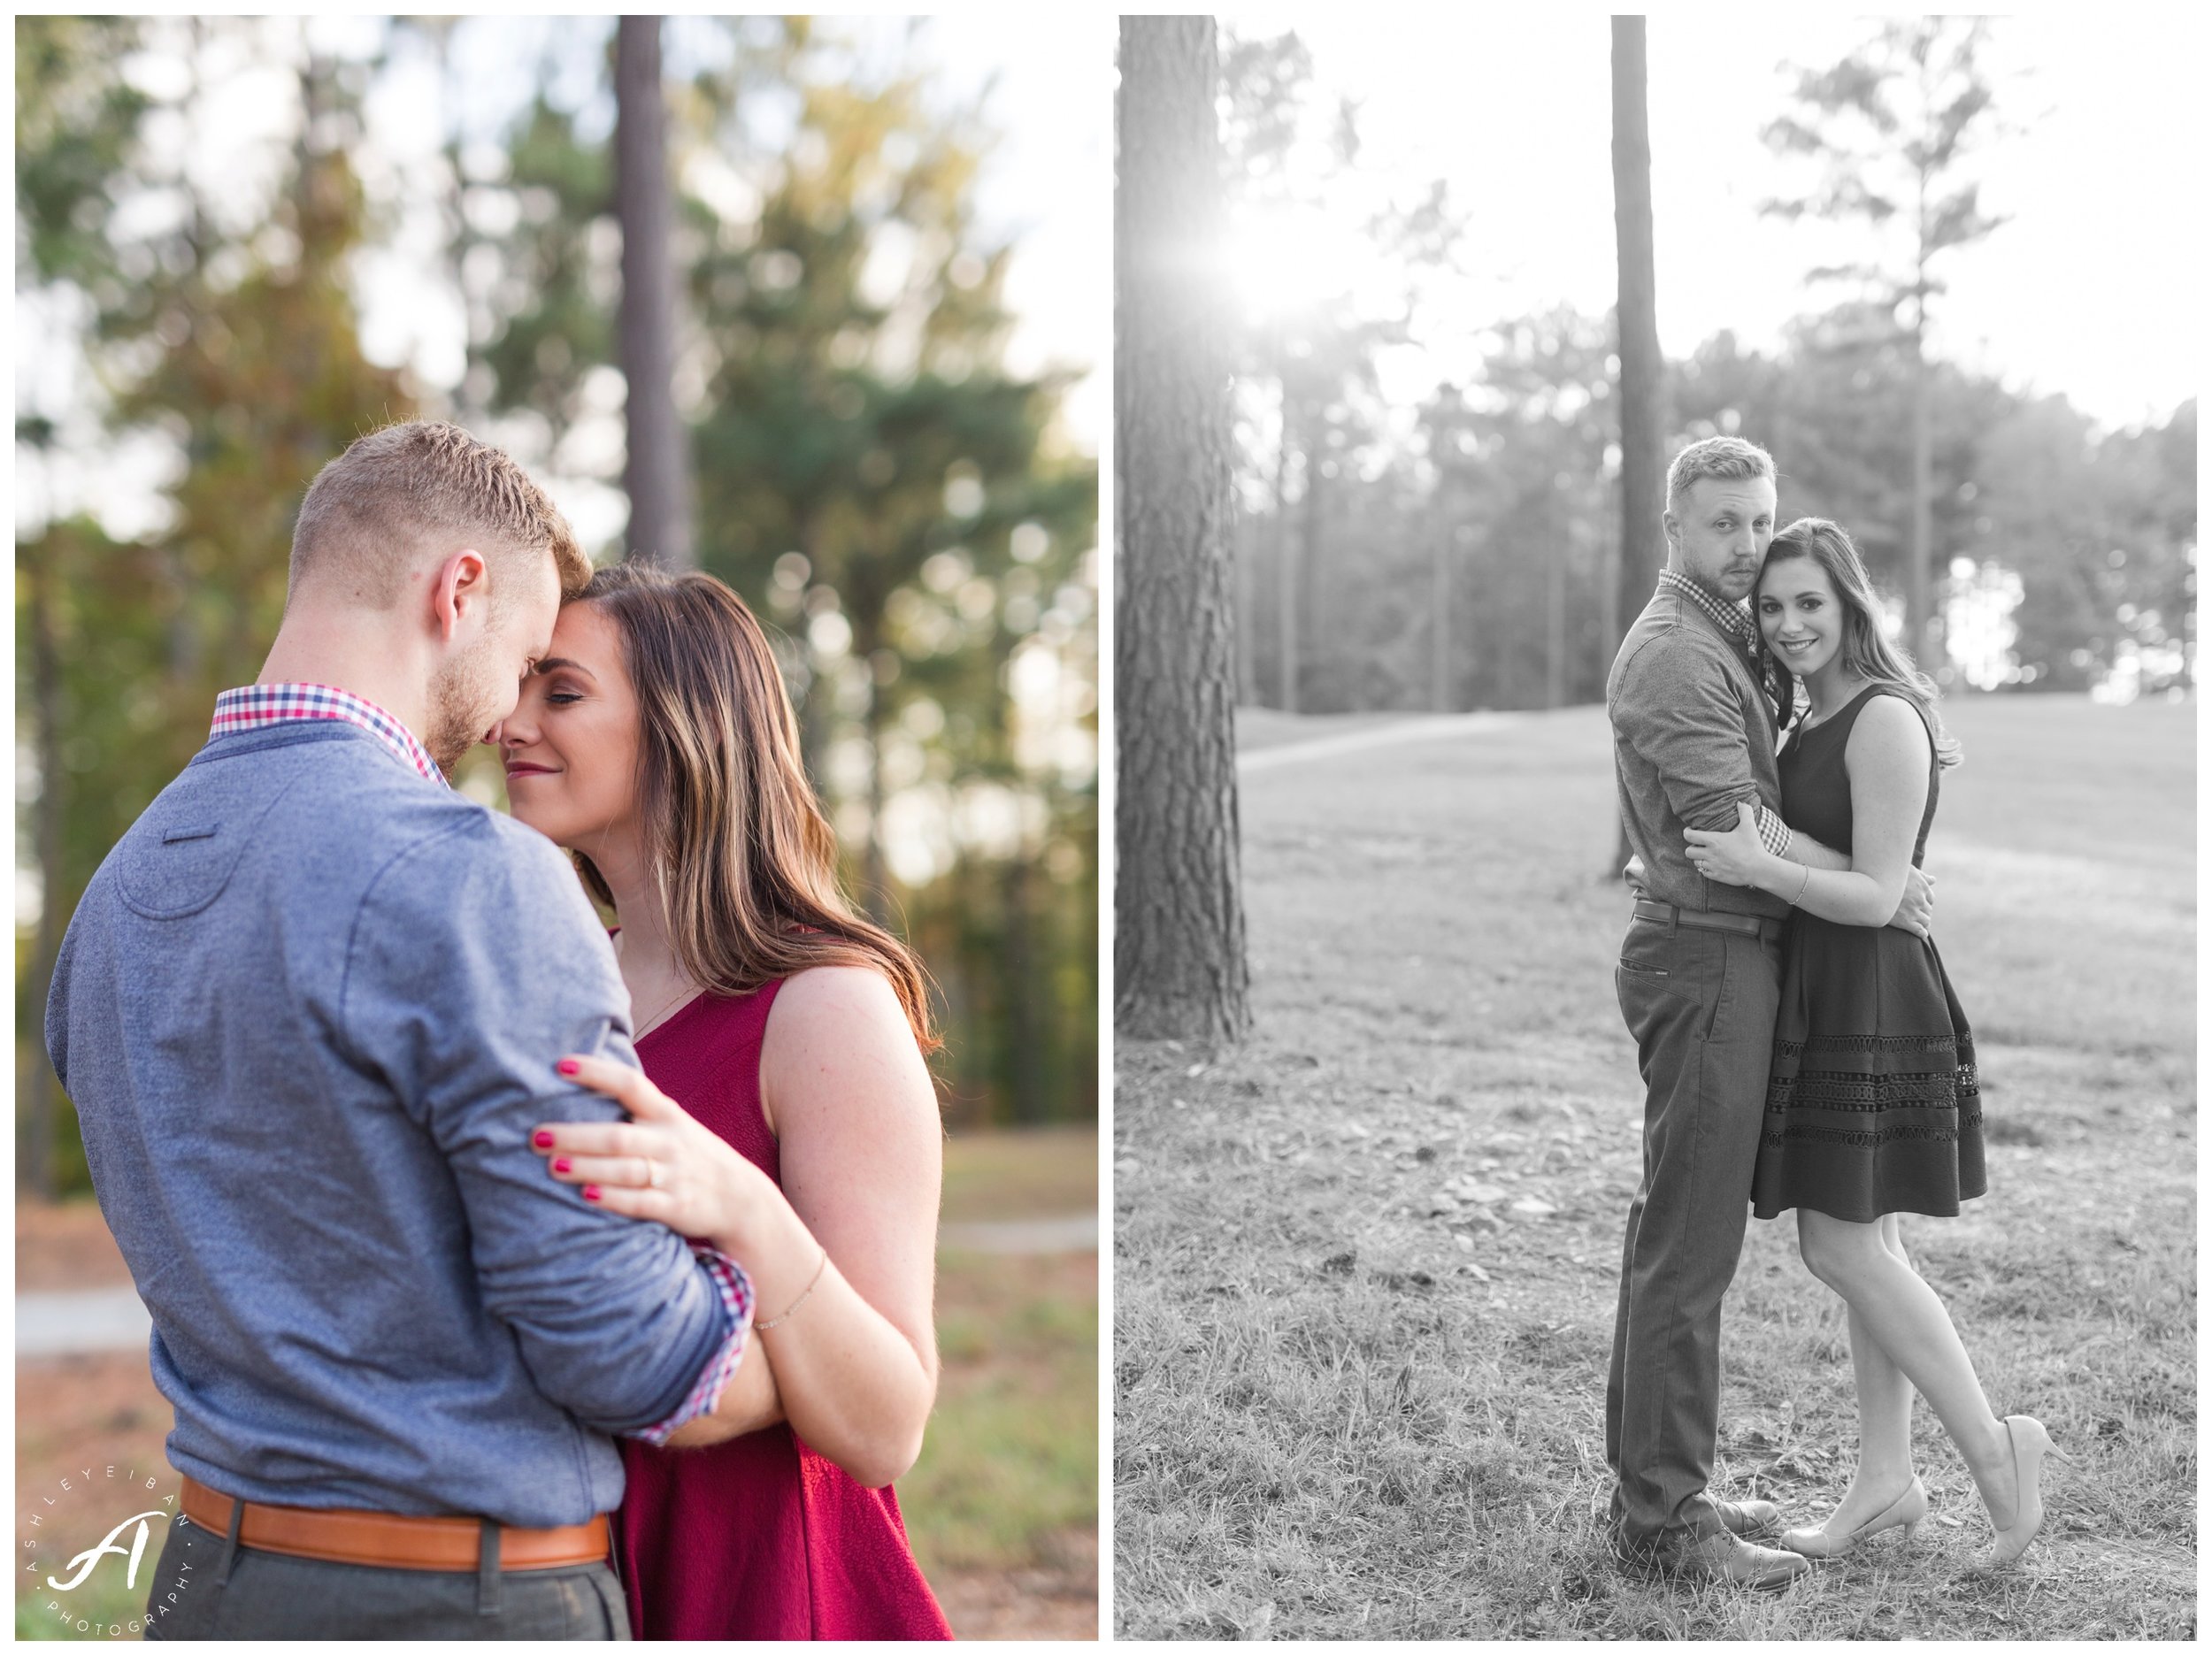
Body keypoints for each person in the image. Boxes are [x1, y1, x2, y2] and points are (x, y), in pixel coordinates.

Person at [45, 421, 759, 1639]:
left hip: (206, 1588)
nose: (507, 718)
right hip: (452, 1597)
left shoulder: (112, 896)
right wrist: (831, 1343)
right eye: (528, 656)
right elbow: (628, 1354)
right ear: (459, 590)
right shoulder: (471, 875)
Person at [494, 562, 953, 1639]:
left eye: (560, 692)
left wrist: (743, 1204)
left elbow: (889, 1424)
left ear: (685, 728)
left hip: (762, 1588)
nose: (508, 723)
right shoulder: (552, 987)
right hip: (566, 1578)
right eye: (520, 687)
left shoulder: (824, 1005)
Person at [1684, 518, 2060, 1567]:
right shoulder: (1812, 718)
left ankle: (1996, 1460)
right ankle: (1886, 1482)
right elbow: (1837, 853)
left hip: (1875, 1000)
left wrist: (1761, 868)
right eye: (1771, 606)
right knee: (1867, 1245)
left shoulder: (1884, 717)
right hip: (1832, 988)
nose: (1790, 623)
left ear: (1851, 602)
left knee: (1837, 1243)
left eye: (1810, 602)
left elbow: (1876, 894)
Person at [1601, 434, 1935, 1589]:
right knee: (1688, 1251)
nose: (1746, 545)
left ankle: (1661, 1487)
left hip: (1738, 958)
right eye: (1723, 526)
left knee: (1681, 1241)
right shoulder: (1675, 658)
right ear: (1675, 531)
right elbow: (1733, 835)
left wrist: (1868, 868)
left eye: (1758, 521)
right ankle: (1664, 1523)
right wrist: (1873, 873)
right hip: (1707, 959)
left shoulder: (1725, 632)